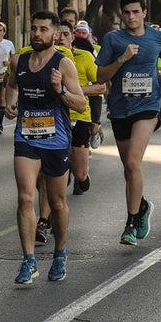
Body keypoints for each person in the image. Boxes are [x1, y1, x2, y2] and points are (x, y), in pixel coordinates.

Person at [4, 11, 87, 285]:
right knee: (26, 198)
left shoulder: (63, 64)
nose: (37, 34)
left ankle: (60, 253)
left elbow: (81, 104)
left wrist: (60, 89)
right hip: (26, 137)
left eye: (43, 29)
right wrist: (10, 103)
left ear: (54, 34)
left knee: (57, 202)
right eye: (34, 29)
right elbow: (12, 85)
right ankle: (28, 261)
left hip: (56, 140)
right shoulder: (20, 60)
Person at [95, 0, 161, 246]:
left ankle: (130, 223)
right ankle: (142, 207)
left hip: (148, 107)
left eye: (136, 12)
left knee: (132, 162)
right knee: (129, 169)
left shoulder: (157, 37)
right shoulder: (113, 39)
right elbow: (100, 77)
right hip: (120, 109)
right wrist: (122, 59)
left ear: (144, 13)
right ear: (122, 14)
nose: (131, 17)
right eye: (127, 13)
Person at [55, 20, 105, 195]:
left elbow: (101, 87)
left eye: (66, 34)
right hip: (55, 118)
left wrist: (73, 91)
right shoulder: (45, 58)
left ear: (72, 38)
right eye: (57, 34)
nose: (61, 38)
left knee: (81, 174)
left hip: (80, 117)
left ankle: (81, 176)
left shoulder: (84, 56)